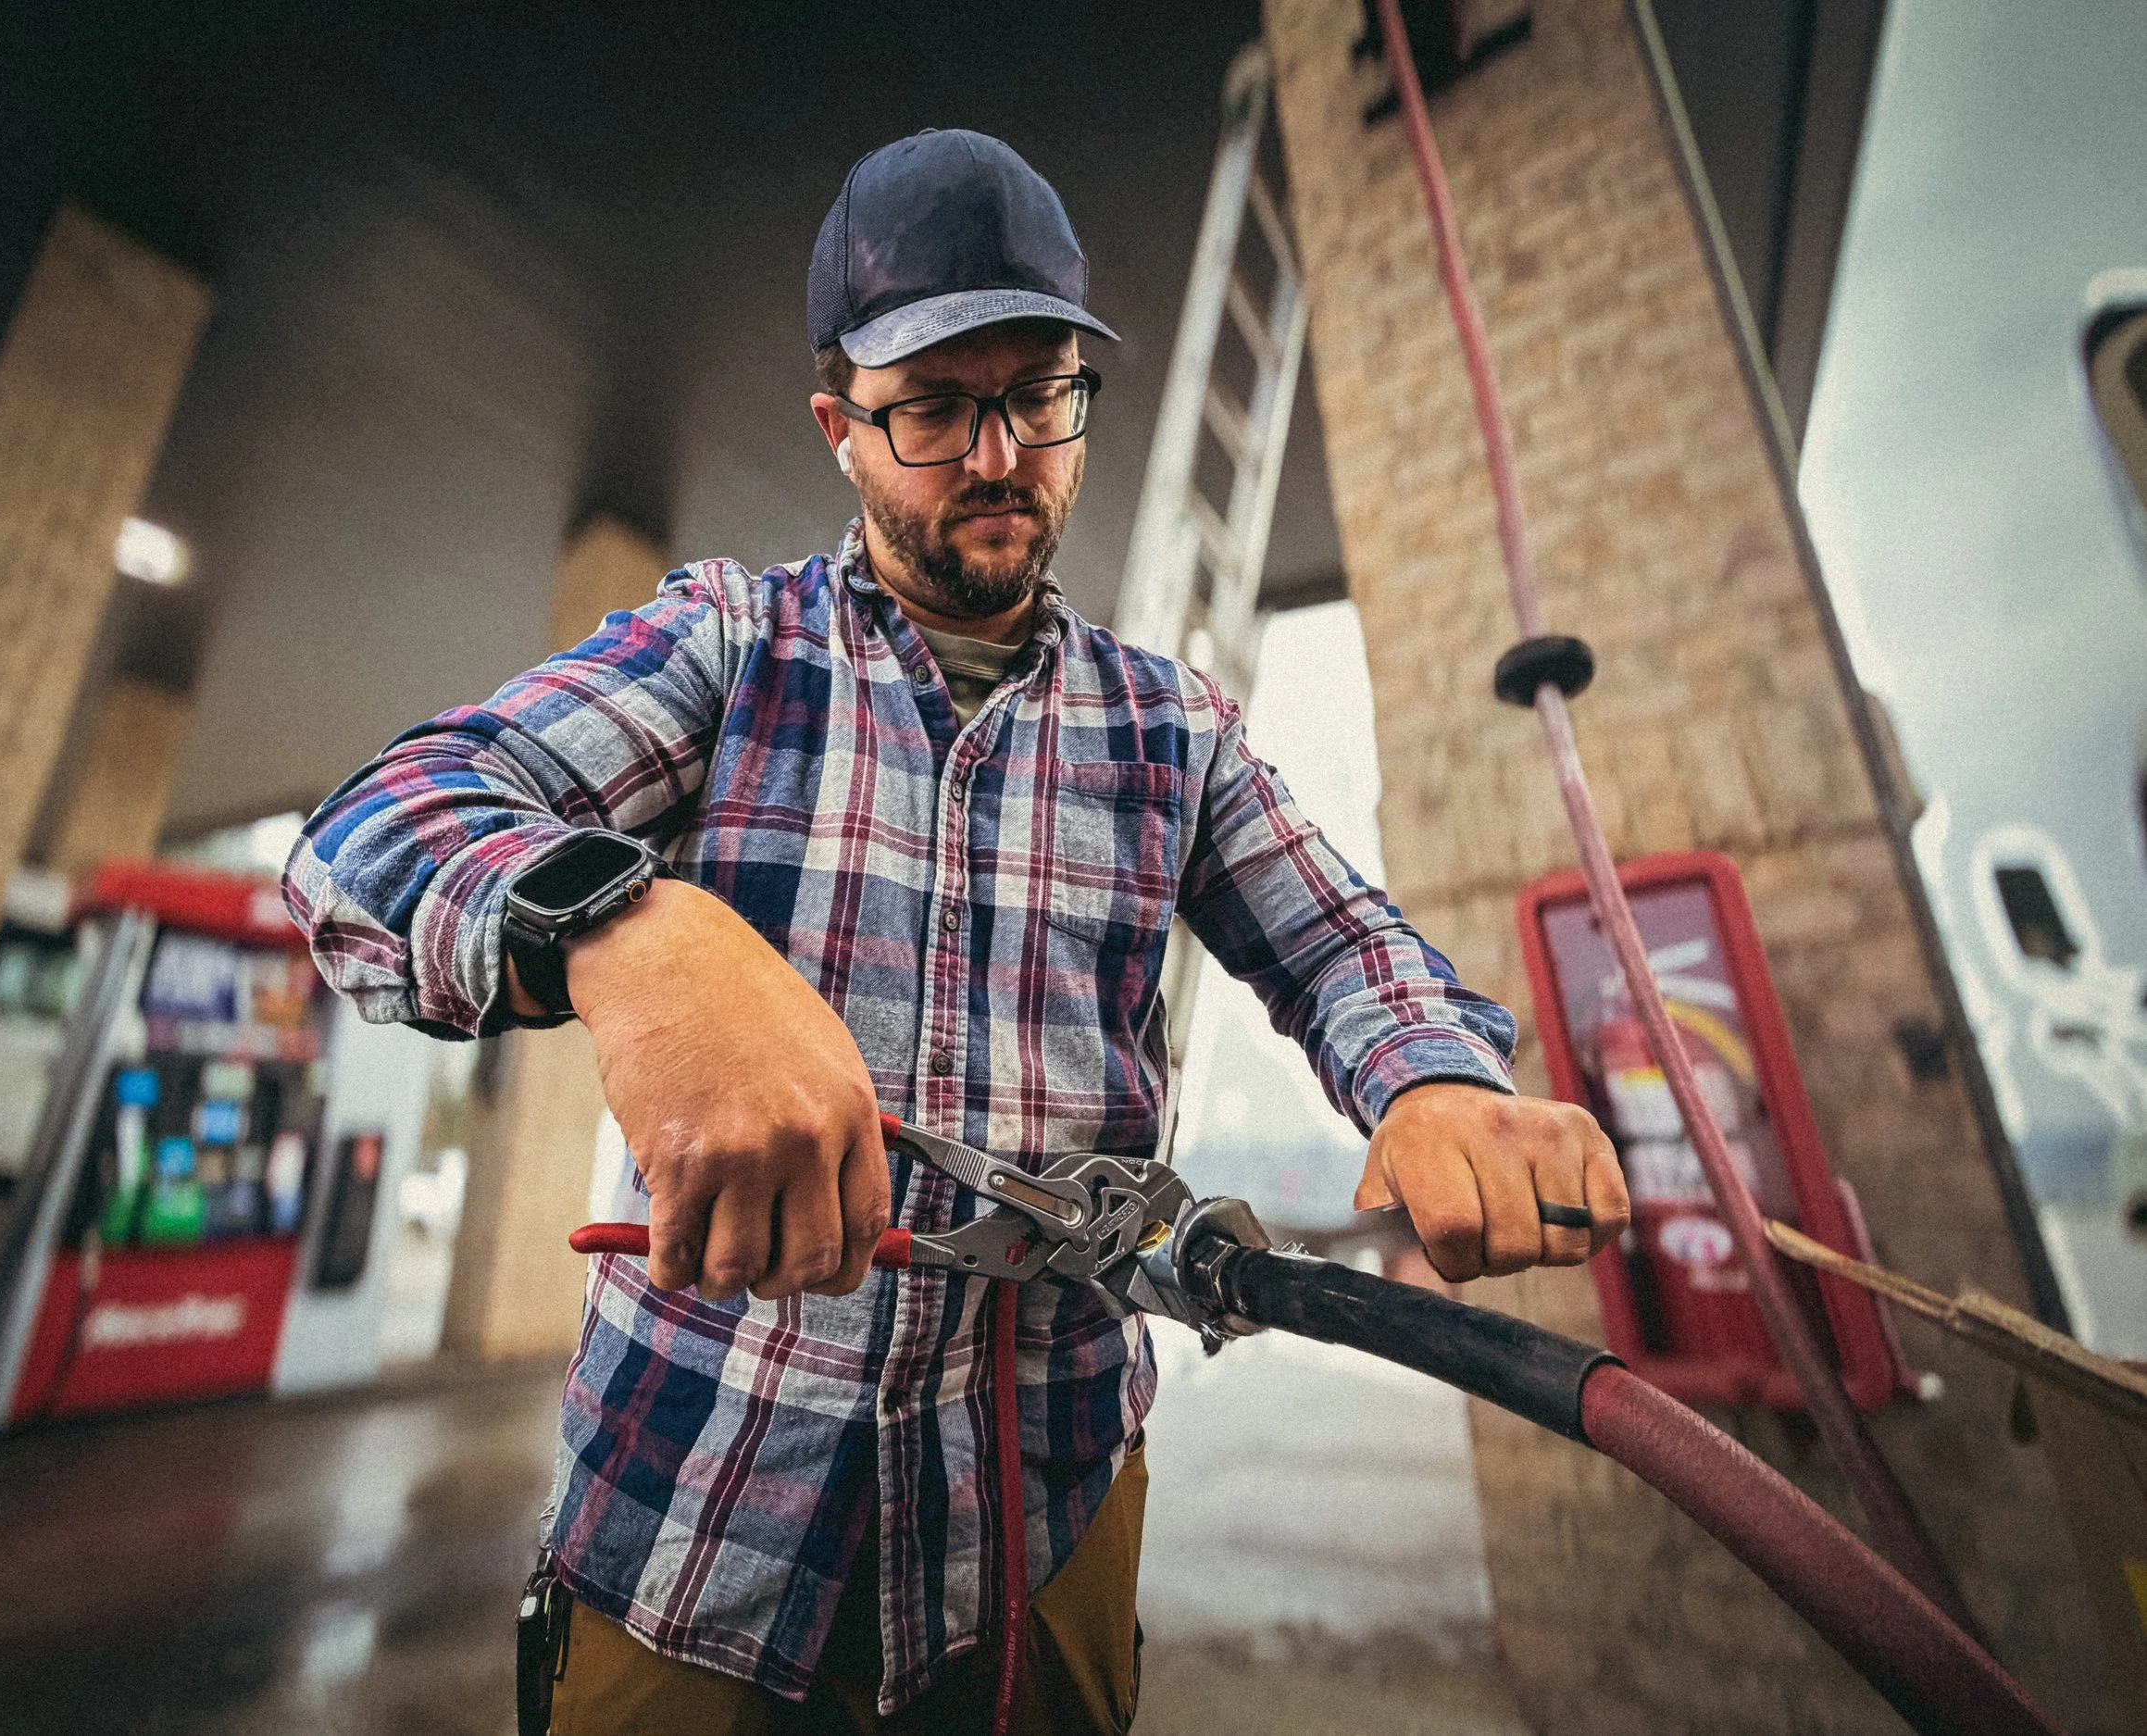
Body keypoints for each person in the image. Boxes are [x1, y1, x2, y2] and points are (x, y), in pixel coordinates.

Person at [284, 127, 1628, 1735]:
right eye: (934, 407)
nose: (998, 455)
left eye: (1039, 393)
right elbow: (368, 831)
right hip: (691, 1511)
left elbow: (1343, 943)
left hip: (1038, 1527)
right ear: (840, 428)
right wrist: (627, 930)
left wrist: (1437, 1083)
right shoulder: (729, 645)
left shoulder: (1169, 729)